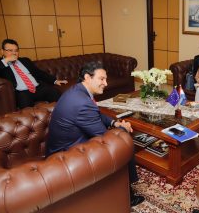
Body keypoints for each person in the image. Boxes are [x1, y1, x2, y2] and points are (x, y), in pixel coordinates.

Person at [46, 61, 145, 207]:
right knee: (123, 143)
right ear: (87, 77)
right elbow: (105, 140)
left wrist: (115, 123)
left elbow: (96, 114)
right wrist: (123, 129)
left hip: (64, 145)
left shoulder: (78, 91)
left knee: (120, 134)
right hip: (66, 155)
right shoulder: (82, 102)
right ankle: (127, 196)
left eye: (106, 79)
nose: (106, 83)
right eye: (101, 79)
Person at [0, 39, 67, 109]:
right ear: (2, 51)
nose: (14, 53)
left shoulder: (25, 60)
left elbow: (38, 72)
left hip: (38, 87)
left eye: (16, 50)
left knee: (55, 93)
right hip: (21, 92)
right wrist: (6, 60)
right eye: (10, 50)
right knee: (27, 110)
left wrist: (55, 80)